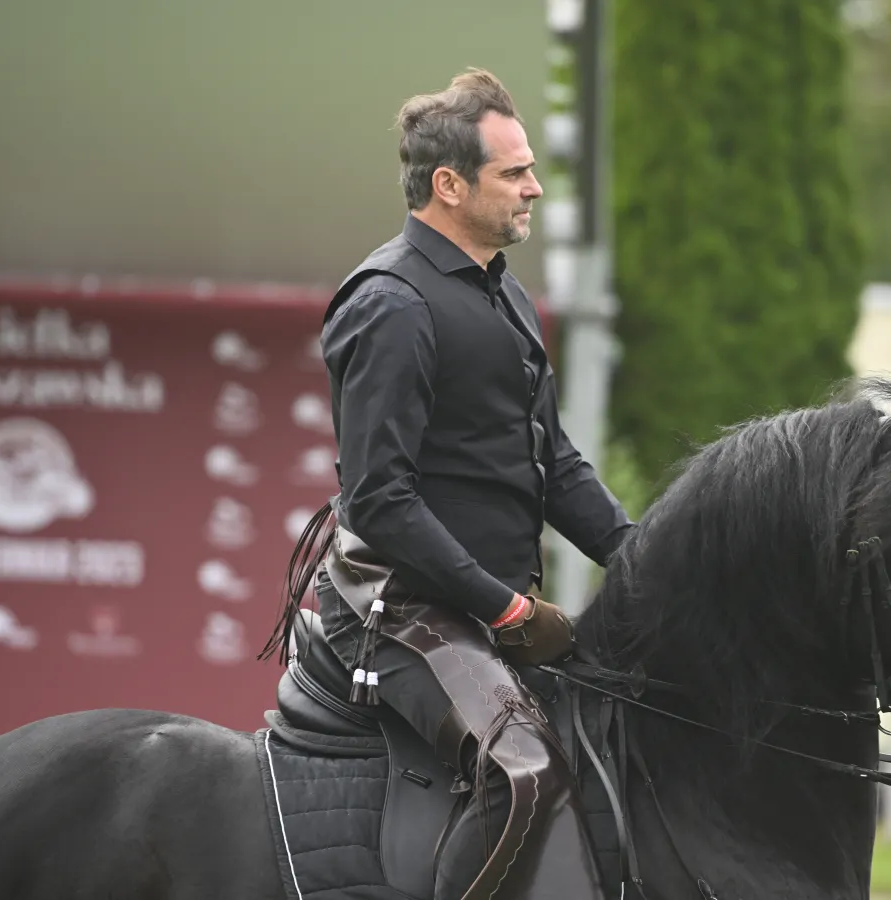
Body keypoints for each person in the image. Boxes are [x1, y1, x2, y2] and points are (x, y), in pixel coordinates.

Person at [269, 68, 635, 900]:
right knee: (526, 769)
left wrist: (644, 557)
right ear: (449, 184)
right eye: (515, 172)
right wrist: (506, 609)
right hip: (395, 611)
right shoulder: (392, 302)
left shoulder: (503, 292)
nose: (534, 188)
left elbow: (555, 464)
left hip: (474, 607)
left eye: (531, 169)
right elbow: (380, 500)